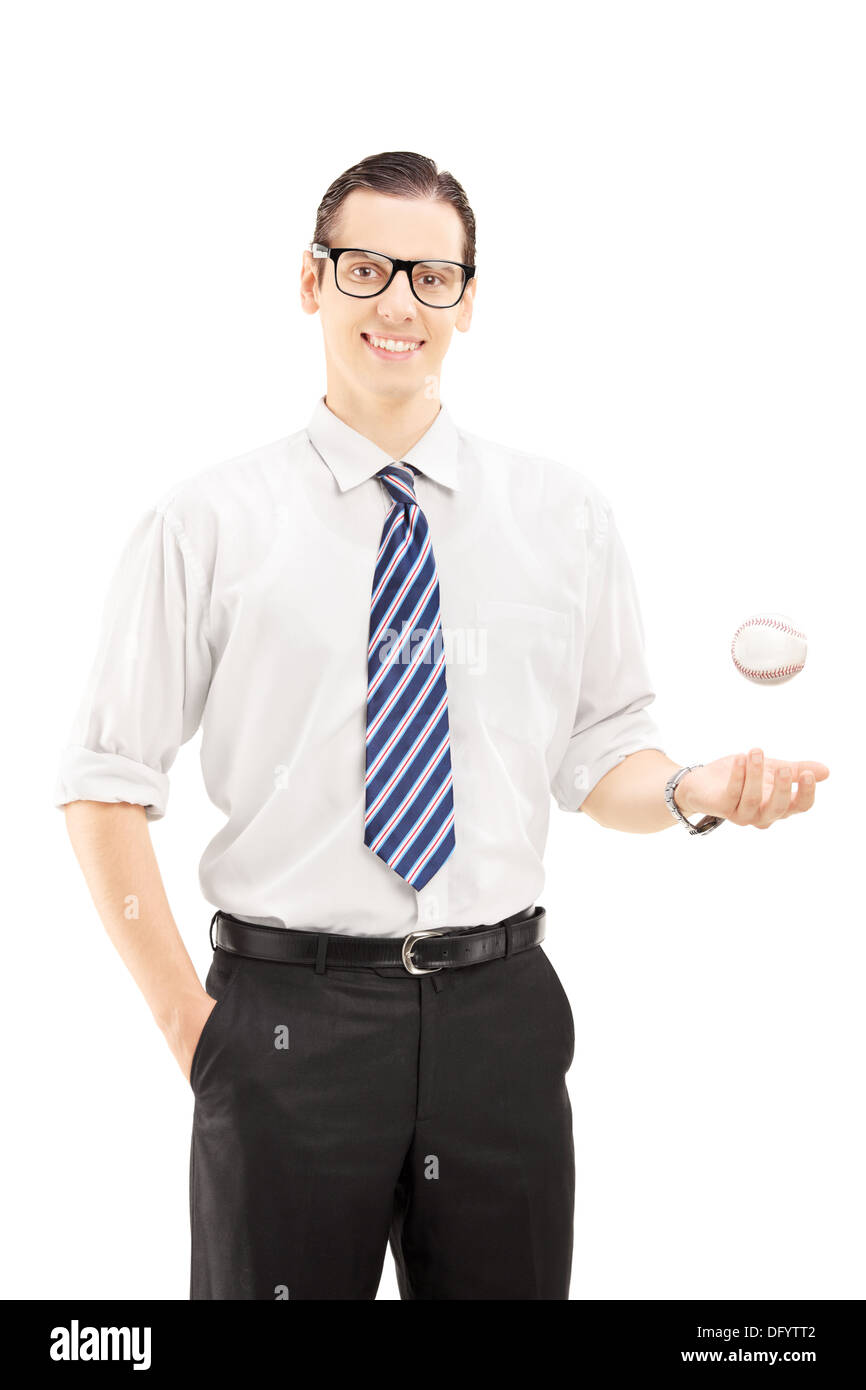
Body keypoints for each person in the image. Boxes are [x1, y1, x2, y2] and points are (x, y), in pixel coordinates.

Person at [54, 150, 829, 1301]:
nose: (398, 303)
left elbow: (604, 750)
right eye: (365, 268)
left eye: (431, 276)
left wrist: (691, 790)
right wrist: (192, 1027)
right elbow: (104, 780)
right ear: (309, 283)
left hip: (500, 1018)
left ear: (469, 299)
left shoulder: (562, 516)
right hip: (284, 1022)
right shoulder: (204, 522)